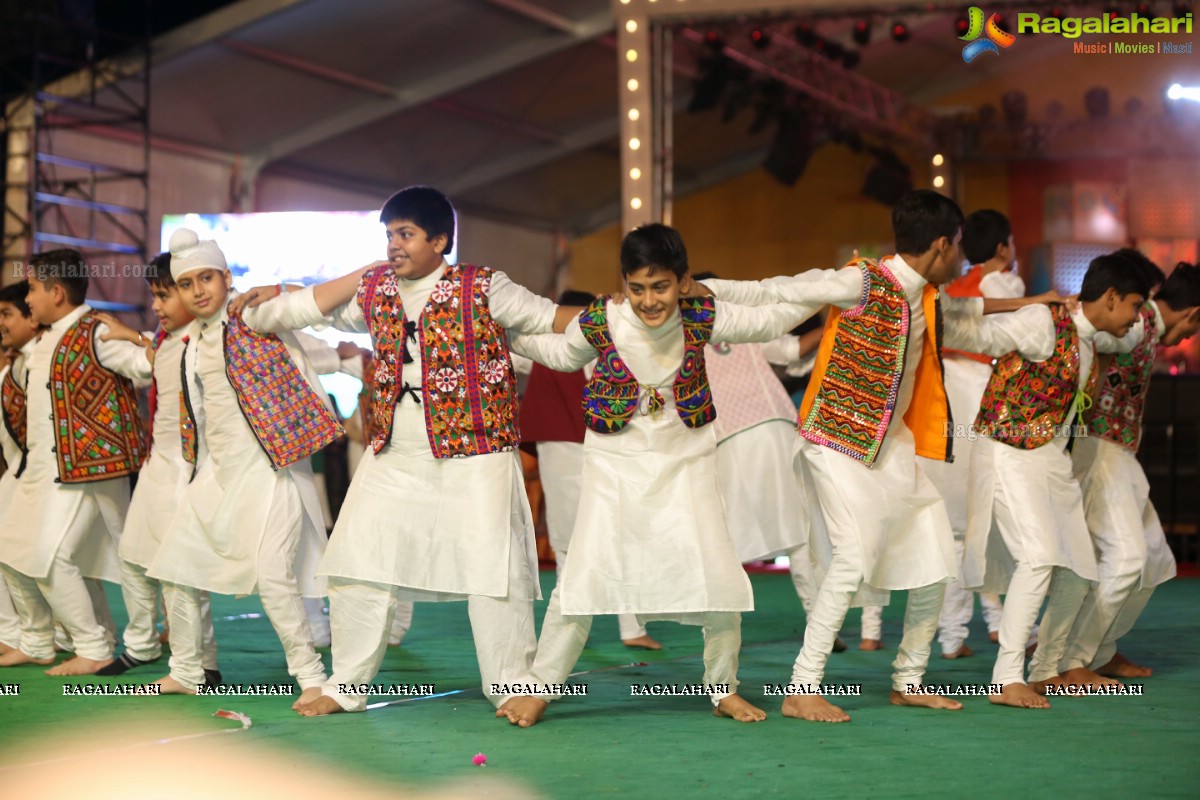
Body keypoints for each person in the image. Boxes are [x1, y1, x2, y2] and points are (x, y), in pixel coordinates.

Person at [700, 190, 1055, 722]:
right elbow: (779, 289)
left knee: (936, 558)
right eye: (959, 247)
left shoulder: (930, 297)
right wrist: (701, 290)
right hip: (835, 442)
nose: (963, 259)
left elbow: (969, 309)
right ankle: (803, 687)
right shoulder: (863, 281)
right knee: (852, 557)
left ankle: (908, 679)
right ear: (940, 245)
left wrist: (1035, 304)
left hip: (891, 448)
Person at [231, 185, 577, 716]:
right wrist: (278, 286)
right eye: (389, 234)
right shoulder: (376, 292)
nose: (394, 244)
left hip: (476, 453)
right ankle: (346, 685)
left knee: (493, 572)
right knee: (357, 563)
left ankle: (510, 685)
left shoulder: (485, 287)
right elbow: (303, 311)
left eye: (406, 234)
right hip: (394, 451)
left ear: (440, 240)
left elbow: (550, 320)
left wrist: (620, 321)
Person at [499, 223, 821, 727]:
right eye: (638, 287)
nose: (650, 300)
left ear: (684, 281)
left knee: (718, 573)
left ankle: (723, 688)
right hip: (614, 460)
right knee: (582, 571)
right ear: (624, 283)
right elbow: (561, 354)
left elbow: (771, 319)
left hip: (687, 457)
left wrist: (834, 293)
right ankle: (542, 687)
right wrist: (507, 336)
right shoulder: (603, 318)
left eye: (661, 286)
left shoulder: (703, 313)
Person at [147, 229, 338, 705]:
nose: (198, 290)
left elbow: (310, 307)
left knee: (275, 577)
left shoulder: (253, 314)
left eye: (206, 278)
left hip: (272, 471)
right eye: (187, 283)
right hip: (218, 473)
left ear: (227, 278)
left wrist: (285, 289)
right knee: (176, 567)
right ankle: (189, 670)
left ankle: (311, 678)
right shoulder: (193, 342)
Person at [964, 253, 1150, 708]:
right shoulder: (1042, 321)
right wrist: (1035, 301)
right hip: (1009, 450)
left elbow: (1133, 338)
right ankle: (1006, 678)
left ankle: (1047, 669)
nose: (1136, 318)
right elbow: (978, 333)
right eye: (1134, 305)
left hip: (1051, 457)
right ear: (1110, 297)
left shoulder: (1090, 338)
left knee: (1081, 569)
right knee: (1040, 558)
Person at [0, 250, 150, 675]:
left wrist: (138, 337)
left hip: (88, 471)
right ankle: (40, 640)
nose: (28, 298)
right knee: (16, 550)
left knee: (62, 557)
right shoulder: (46, 338)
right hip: (47, 473)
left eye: (31, 289)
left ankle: (97, 644)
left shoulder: (98, 333)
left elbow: (145, 368)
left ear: (57, 291)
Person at [1061, 259, 1200, 678]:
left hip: (1118, 453)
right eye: (1197, 325)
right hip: (1101, 449)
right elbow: (1084, 334)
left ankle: (1099, 649)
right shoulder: (1138, 324)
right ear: (1193, 313)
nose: (1193, 335)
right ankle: (1074, 660)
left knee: (1154, 559)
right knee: (1126, 559)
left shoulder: (1144, 326)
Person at [89, 256, 221, 682]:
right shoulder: (166, 339)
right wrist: (133, 334)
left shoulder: (205, 341)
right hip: (156, 467)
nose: (158, 304)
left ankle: (200, 667)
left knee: (180, 571)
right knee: (133, 558)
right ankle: (143, 646)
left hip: (187, 469)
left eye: (165, 295)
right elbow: (153, 352)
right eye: (156, 295)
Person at [518, 289, 661, 651]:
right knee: (569, 541)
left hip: (605, 445)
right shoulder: (543, 343)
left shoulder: (610, 345)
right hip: (561, 444)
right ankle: (566, 628)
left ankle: (630, 627)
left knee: (619, 532)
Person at [927, 210, 1026, 659]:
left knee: (956, 524)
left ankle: (957, 631)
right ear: (1003, 248)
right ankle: (994, 626)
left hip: (943, 395)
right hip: (979, 396)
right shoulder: (1003, 284)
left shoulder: (955, 285)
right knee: (984, 520)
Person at [0, 281, 42, 655]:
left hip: (44, 476)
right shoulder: (20, 362)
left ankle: (34, 637)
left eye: (7, 314)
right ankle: (19, 635)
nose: (1, 323)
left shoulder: (40, 360)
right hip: (19, 473)